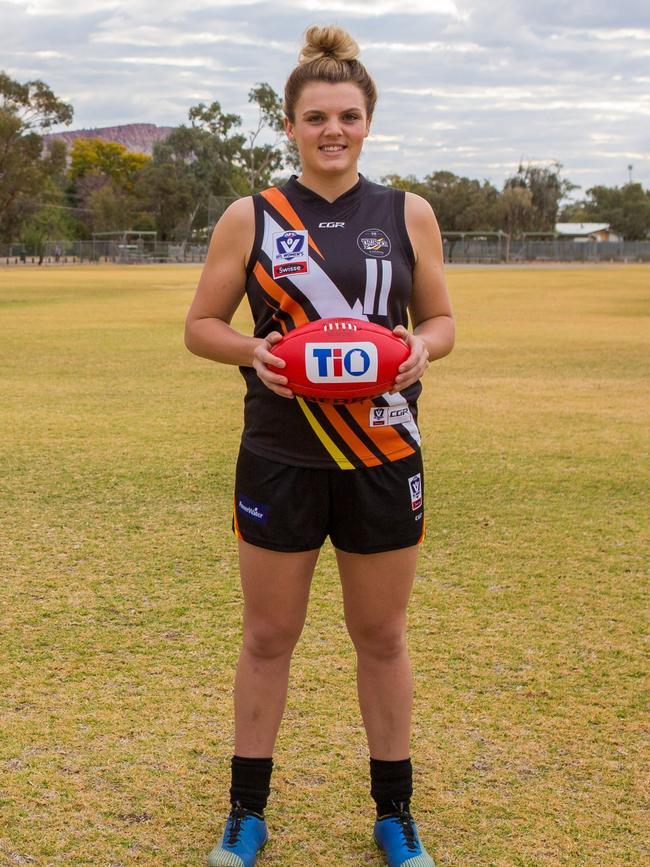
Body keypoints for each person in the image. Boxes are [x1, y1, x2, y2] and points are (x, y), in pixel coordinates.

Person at [184, 25, 454, 867]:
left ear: (368, 121)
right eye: (314, 117)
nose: (331, 129)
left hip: (382, 453)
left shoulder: (408, 212)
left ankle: (395, 813)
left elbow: (441, 321)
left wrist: (420, 349)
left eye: (346, 115)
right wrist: (252, 351)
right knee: (268, 635)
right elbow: (199, 327)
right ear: (291, 125)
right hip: (280, 455)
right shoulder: (252, 216)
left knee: (382, 635)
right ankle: (245, 811)